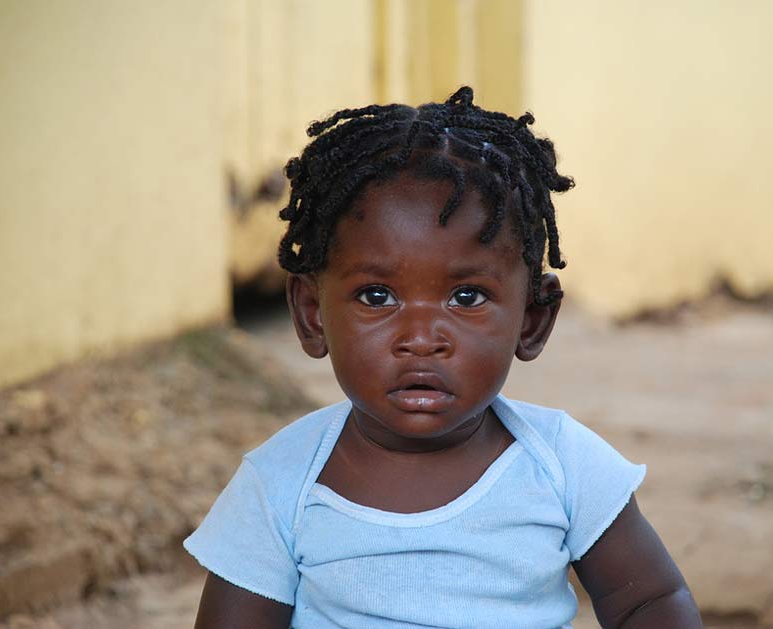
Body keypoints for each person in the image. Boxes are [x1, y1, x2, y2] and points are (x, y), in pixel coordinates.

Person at [185, 86, 703, 628]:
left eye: (467, 297)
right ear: (312, 314)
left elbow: (651, 602)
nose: (422, 337)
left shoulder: (563, 467)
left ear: (532, 319)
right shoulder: (280, 486)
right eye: (376, 296)